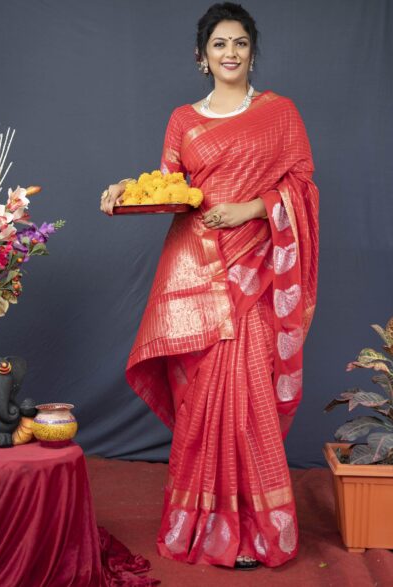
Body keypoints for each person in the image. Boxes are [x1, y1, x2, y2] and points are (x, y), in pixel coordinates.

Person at [101, 2, 319, 571]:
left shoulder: (280, 113)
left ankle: (255, 531)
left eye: (240, 43)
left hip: (253, 267)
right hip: (195, 267)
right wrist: (127, 188)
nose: (230, 53)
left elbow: (302, 186)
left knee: (246, 388)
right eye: (219, 44)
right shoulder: (183, 119)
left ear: (252, 51)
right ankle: (204, 523)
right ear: (202, 57)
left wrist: (251, 208)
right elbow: (168, 183)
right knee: (201, 395)